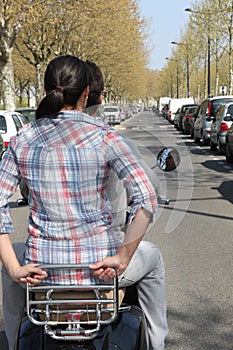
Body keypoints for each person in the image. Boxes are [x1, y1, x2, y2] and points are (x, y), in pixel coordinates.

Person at [0, 56, 167, 350]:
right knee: (153, 260)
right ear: (87, 92)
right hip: (101, 271)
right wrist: (122, 259)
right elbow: (146, 198)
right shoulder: (105, 136)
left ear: (46, 89)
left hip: (44, 271)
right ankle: (156, 344)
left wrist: (15, 269)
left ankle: (14, 342)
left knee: (8, 262)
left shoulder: (22, 139)